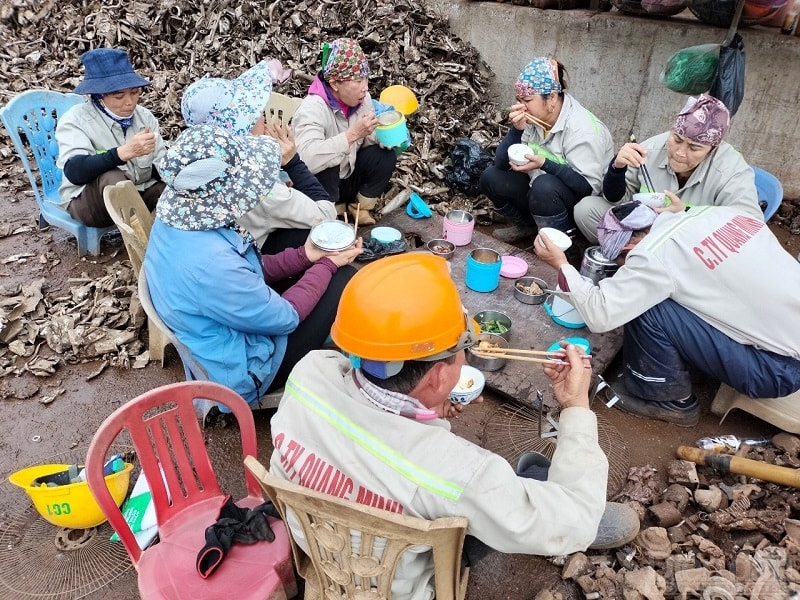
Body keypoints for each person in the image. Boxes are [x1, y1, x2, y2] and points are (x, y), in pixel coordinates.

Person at [269, 253, 639, 600]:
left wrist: (425, 411)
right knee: (533, 478)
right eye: (464, 347)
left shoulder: (309, 374)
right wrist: (575, 406)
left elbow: (369, 436)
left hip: (322, 550)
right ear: (440, 374)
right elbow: (574, 521)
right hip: (399, 586)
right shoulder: (462, 474)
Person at [143, 124, 362, 408]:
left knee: (309, 250)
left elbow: (248, 267)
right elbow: (286, 317)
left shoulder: (178, 216)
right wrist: (328, 265)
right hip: (243, 373)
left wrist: (305, 254)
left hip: (218, 330)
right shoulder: (213, 266)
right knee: (343, 277)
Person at [535, 199, 800, 427]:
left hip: (777, 369)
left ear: (627, 250)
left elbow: (600, 313)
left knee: (650, 307)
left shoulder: (653, 254)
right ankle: (687, 365)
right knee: (678, 292)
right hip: (786, 332)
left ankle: (669, 400)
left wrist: (561, 263)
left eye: (621, 263)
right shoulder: (716, 212)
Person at [180, 60, 337, 254]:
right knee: (320, 237)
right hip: (250, 259)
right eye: (256, 112)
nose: (264, 118)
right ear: (246, 126)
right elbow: (326, 217)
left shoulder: (194, 167)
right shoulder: (256, 182)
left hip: (218, 249)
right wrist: (293, 163)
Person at [574, 94, 762, 244]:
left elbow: (750, 227)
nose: (680, 152)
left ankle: (639, 262)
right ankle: (628, 257)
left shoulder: (731, 172)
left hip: (691, 243)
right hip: (644, 231)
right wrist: (617, 168)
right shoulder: (652, 149)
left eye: (694, 148)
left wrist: (685, 216)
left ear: (713, 149)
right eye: (677, 140)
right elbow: (617, 200)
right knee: (586, 210)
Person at [479, 56, 614, 243]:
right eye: (519, 100)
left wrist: (545, 163)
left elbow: (588, 189)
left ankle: (559, 243)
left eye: (527, 100)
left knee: (544, 186)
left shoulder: (582, 129)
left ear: (551, 97)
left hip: (577, 204)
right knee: (491, 177)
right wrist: (516, 131)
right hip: (539, 190)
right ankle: (527, 227)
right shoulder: (536, 118)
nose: (521, 107)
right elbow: (501, 164)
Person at [292, 38, 398, 226]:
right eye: (358, 81)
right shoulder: (312, 109)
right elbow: (305, 160)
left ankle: (359, 208)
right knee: (328, 163)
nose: (365, 87)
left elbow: (364, 141)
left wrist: (380, 137)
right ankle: (331, 213)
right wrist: (352, 135)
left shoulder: (362, 100)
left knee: (384, 156)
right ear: (334, 84)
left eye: (366, 78)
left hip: (347, 175)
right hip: (319, 188)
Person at [56, 47, 166, 227]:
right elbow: (74, 171)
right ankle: (143, 242)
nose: (129, 102)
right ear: (99, 97)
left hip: (138, 194)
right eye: (118, 96)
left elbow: (161, 166)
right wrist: (123, 153)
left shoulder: (145, 117)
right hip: (93, 206)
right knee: (112, 177)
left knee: (170, 190)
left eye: (135, 92)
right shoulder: (75, 120)